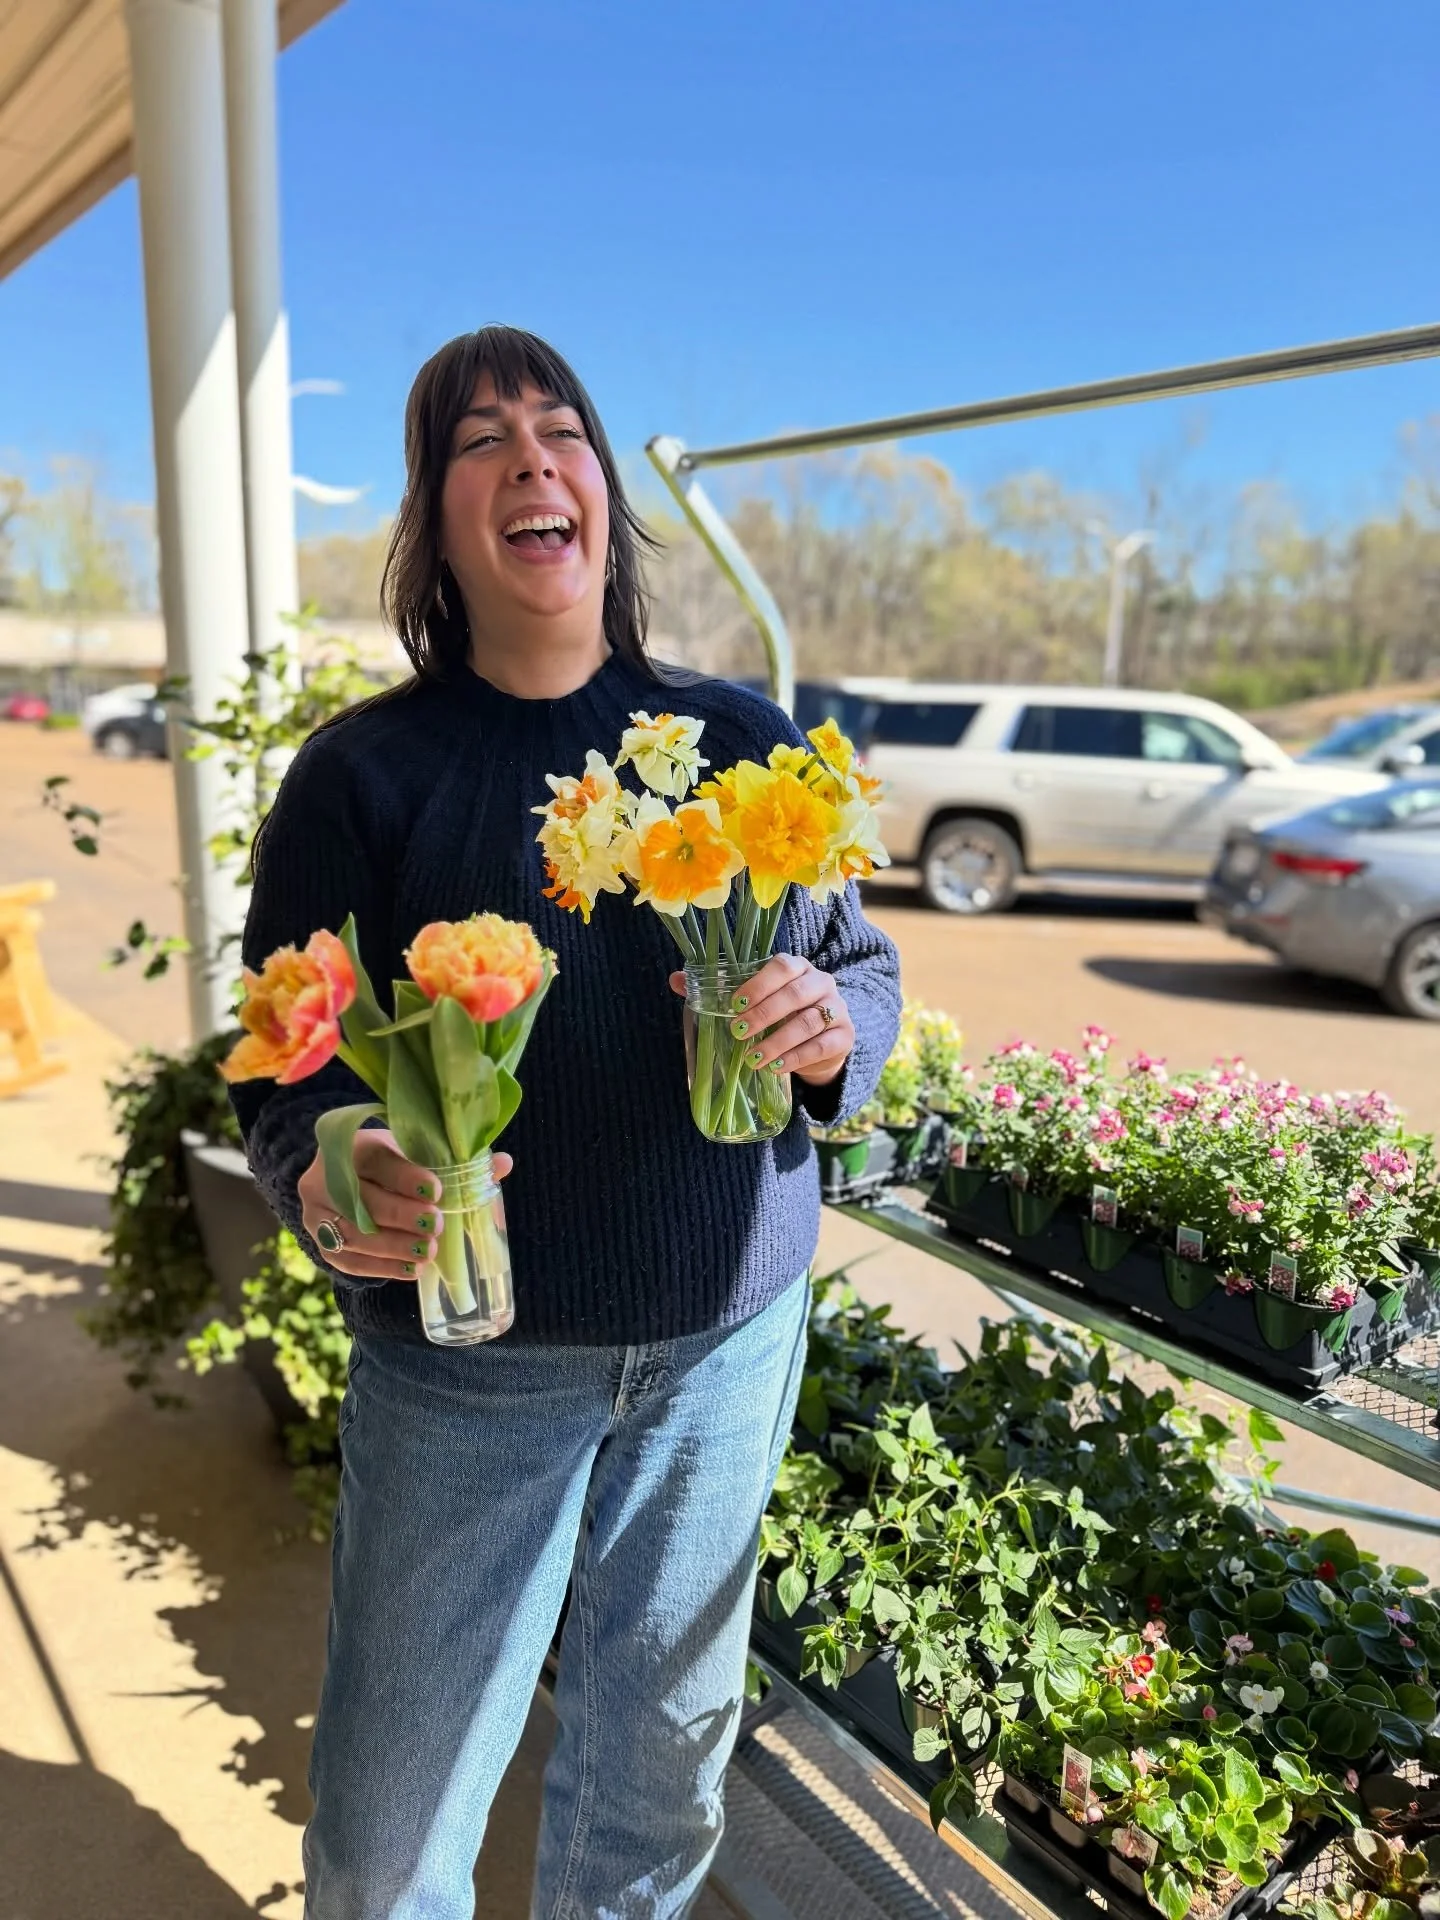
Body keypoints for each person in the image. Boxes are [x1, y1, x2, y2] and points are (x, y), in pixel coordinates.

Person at [232, 324, 901, 1920]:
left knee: (655, 1788)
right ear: (436, 523)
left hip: (722, 1348)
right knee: (391, 1836)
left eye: (561, 431)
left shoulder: (735, 745)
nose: (533, 458)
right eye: (481, 441)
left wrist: (827, 1035)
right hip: (462, 1369)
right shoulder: (362, 778)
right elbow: (282, 1062)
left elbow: (857, 969)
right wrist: (338, 1170)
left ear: (602, 492)